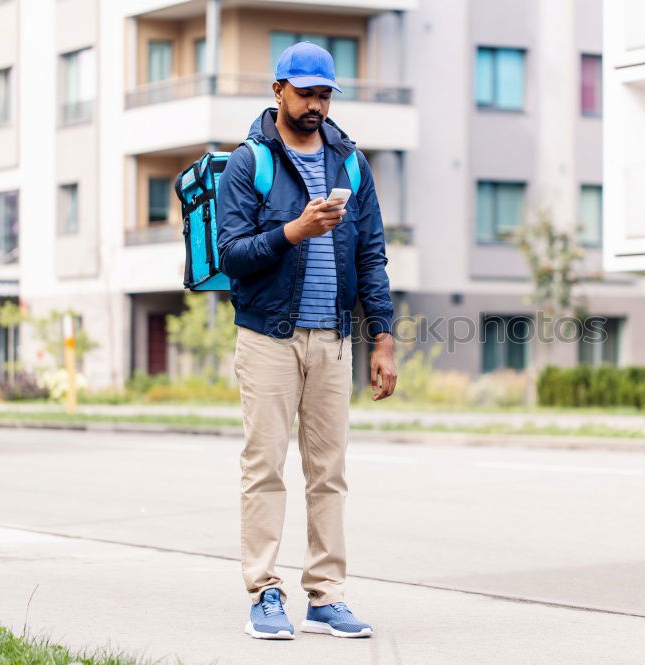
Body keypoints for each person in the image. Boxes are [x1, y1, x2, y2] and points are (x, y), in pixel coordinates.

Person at [216, 41, 398, 641]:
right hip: (268, 337)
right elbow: (233, 255)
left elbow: (372, 254)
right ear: (278, 92)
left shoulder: (351, 163)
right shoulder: (251, 162)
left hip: (334, 341)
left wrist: (383, 339)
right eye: (306, 93)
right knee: (264, 467)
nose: (317, 105)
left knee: (329, 473)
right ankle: (265, 592)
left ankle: (325, 595)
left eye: (325, 94)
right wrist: (295, 231)